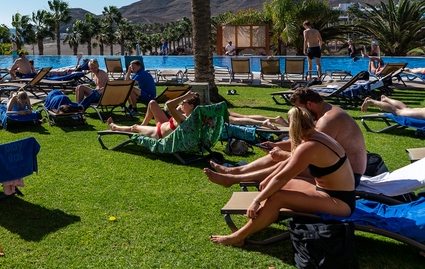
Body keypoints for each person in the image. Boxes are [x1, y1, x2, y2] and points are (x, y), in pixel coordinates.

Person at [209, 105, 356, 247]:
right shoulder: (318, 136)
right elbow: (286, 165)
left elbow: (282, 177)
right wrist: (268, 179)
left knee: (277, 197)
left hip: (339, 202)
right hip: (327, 191)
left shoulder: (308, 147)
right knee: (274, 187)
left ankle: (238, 237)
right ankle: (262, 212)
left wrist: (257, 200)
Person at [205, 88, 366, 188]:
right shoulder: (325, 114)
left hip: (346, 176)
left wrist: (281, 152)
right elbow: (306, 144)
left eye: (300, 108)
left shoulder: (328, 120)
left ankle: (234, 178)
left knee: (285, 162)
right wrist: (276, 145)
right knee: (278, 153)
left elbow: (310, 151)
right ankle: (235, 171)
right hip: (335, 169)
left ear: (309, 104)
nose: (300, 113)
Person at [106, 92, 200, 139]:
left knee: (134, 127)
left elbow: (169, 105)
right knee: (152, 103)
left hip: (158, 133)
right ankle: (143, 126)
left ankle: (115, 127)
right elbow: (172, 106)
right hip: (164, 124)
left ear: (191, 106)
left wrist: (185, 96)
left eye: (184, 103)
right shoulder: (188, 114)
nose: (182, 104)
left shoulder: (184, 118)